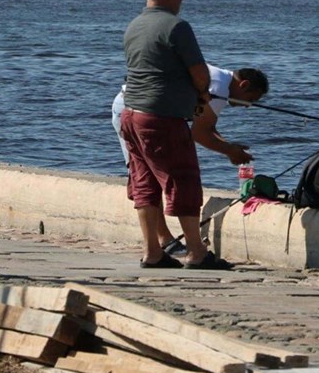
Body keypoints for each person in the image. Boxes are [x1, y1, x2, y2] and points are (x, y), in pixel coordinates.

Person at [119, 0, 232, 269]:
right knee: (183, 179)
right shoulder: (177, 27)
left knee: (144, 186)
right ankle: (196, 252)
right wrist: (202, 93)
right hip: (162, 119)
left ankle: (152, 252)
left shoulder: (134, 25)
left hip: (131, 116)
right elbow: (199, 73)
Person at [112, 65, 268, 255]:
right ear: (243, 85)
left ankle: (161, 244)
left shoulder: (219, 80)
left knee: (149, 177)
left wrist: (229, 147)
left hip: (132, 107)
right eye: (250, 99)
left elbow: (206, 127)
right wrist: (229, 151)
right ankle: (168, 242)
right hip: (138, 111)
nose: (248, 106)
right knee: (152, 178)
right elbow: (199, 133)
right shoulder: (219, 86)